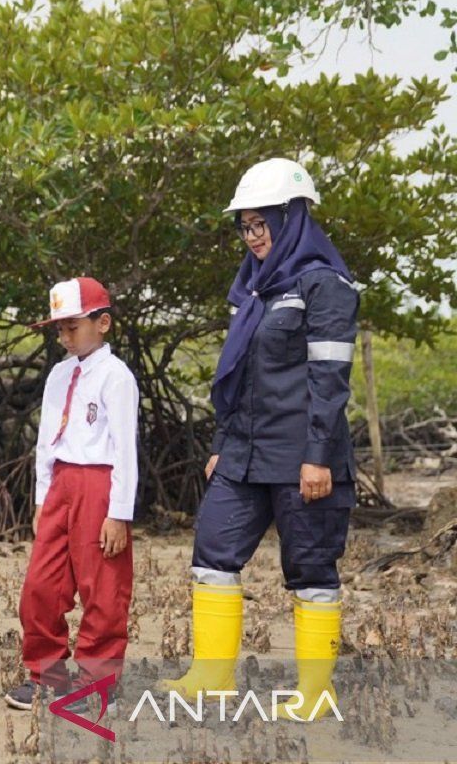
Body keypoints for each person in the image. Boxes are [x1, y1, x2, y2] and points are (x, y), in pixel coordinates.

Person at [164, 158, 359, 721]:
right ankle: (212, 675)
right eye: (245, 227)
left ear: (292, 217)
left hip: (304, 458)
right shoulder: (253, 290)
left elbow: (329, 382)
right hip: (245, 453)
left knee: (312, 570)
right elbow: (238, 375)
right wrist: (224, 441)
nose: (253, 238)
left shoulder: (326, 286)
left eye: (261, 224)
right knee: (211, 553)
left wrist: (318, 458)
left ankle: (316, 694)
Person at [5, 278, 139, 712]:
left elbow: (124, 449)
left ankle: (99, 684)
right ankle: (47, 675)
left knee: (102, 586)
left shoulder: (117, 377)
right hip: (61, 483)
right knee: (40, 586)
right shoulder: (60, 374)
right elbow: (46, 441)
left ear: (103, 323)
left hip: (99, 484)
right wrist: (42, 498)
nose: (64, 337)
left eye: (72, 327)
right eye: (59, 329)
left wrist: (118, 512)